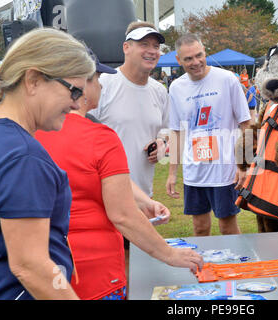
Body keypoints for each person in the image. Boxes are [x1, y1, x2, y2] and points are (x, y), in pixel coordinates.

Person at [36, 48, 203, 300]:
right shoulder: (100, 137)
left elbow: (108, 179)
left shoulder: (32, 132)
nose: (102, 86)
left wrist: (145, 201)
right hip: (95, 274)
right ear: (82, 84)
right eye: (98, 79)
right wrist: (169, 254)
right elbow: (122, 215)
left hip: (42, 269)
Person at [0, 28, 95, 300]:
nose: (77, 105)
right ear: (33, 80)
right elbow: (31, 266)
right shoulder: (24, 156)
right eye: (74, 91)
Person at [88, 21, 170, 266]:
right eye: (144, 44)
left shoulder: (159, 90)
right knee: (114, 267)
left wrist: (163, 145)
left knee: (138, 268)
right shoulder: (105, 84)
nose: (152, 50)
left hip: (144, 197)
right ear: (126, 47)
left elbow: (167, 134)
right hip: (104, 199)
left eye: (156, 46)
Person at [166, 33, 251, 237]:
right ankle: (205, 268)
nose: (196, 62)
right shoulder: (176, 87)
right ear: (179, 60)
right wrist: (171, 173)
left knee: (227, 226)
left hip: (224, 170)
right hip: (194, 171)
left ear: (205, 52)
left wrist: (243, 165)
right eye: (188, 58)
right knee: (200, 228)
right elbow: (176, 132)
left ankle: (234, 268)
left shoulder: (227, 79)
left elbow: (246, 124)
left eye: (199, 55)